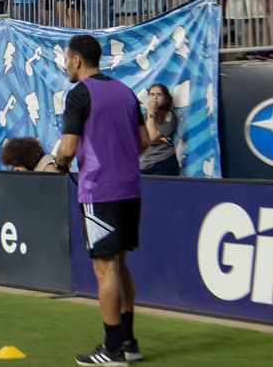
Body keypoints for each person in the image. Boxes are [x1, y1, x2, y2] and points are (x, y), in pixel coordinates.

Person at [55, 35, 149, 366]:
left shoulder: (79, 94)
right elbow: (144, 140)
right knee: (120, 265)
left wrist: (62, 164)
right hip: (129, 188)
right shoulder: (125, 91)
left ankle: (112, 349)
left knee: (105, 268)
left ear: (77, 60)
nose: (66, 64)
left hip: (100, 190)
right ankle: (129, 342)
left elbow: (67, 148)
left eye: (67, 59)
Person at [139, 84, 180, 176]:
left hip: (163, 162)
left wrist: (151, 113)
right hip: (144, 163)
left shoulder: (169, 116)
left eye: (159, 95)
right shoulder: (143, 117)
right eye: (152, 94)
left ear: (166, 98)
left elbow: (151, 138)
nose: (155, 98)